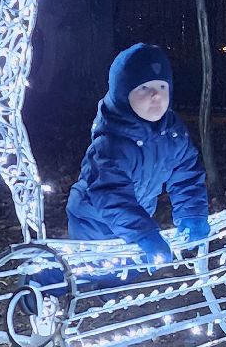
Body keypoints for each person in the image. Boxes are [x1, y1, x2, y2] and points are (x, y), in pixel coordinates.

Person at [64, 43, 211, 264]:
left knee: (129, 271)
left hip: (136, 219)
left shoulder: (172, 135)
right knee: (91, 270)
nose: (156, 95)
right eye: (144, 87)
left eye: (162, 86)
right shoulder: (111, 145)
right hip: (94, 224)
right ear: (123, 94)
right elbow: (110, 194)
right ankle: (43, 277)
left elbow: (186, 176)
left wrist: (192, 214)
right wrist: (143, 232)